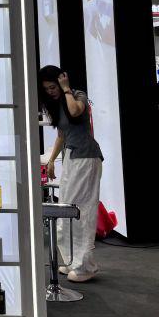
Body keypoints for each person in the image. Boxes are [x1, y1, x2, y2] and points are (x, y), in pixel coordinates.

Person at [39, 65, 104, 283]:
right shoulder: (58, 104)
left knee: (81, 211)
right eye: (46, 89)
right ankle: (72, 260)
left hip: (86, 158)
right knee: (66, 209)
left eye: (53, 87)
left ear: (61, 81)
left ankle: (85, 266)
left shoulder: (77, 96)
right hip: (72, 158)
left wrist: (66, 89)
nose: (50, 91)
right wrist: (51, 160)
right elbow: (62, 134)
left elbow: (75, 111)